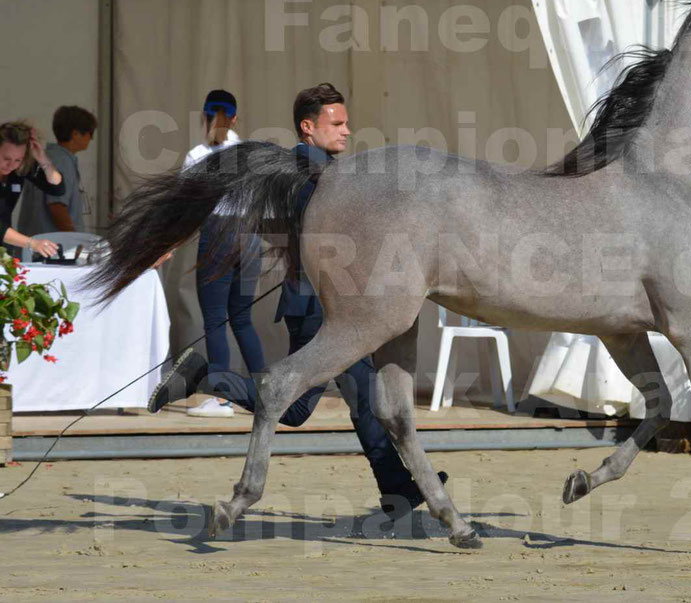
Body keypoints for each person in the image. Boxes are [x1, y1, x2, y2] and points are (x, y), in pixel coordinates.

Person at [148, 83, 444, 518]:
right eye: (337, 123)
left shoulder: (323, 167)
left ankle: (397, 487)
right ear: (308, 128)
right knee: (300, 407)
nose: (347, 130)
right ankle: (203, 376)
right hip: (317, 307)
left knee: (364, 397)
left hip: (332, 304)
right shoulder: (309, 167)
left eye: (346, 122)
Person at [181, 90, 266, 418]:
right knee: (243, 319)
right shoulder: (249, 153)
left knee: (216, 318)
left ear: (204, 116)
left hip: (217, 234)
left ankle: (221, 398)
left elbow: (184, 207)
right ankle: (264, 394)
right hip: (251, 237)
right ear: (235, 118)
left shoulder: (196, 155)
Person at [17, 106, 96, 237]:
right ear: (75, 134)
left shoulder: (47, 157)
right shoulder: (62, 161)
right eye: (90, 133)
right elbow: (57, 206)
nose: (91, 138)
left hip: (35, 244)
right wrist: (75, 241)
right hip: (52, 249)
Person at [0, 121, 64, 259]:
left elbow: (57, 188)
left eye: (18, 159)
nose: (11, 164)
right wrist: (32, 243)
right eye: (6, 158)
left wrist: (42, 159)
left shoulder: (18, 169)